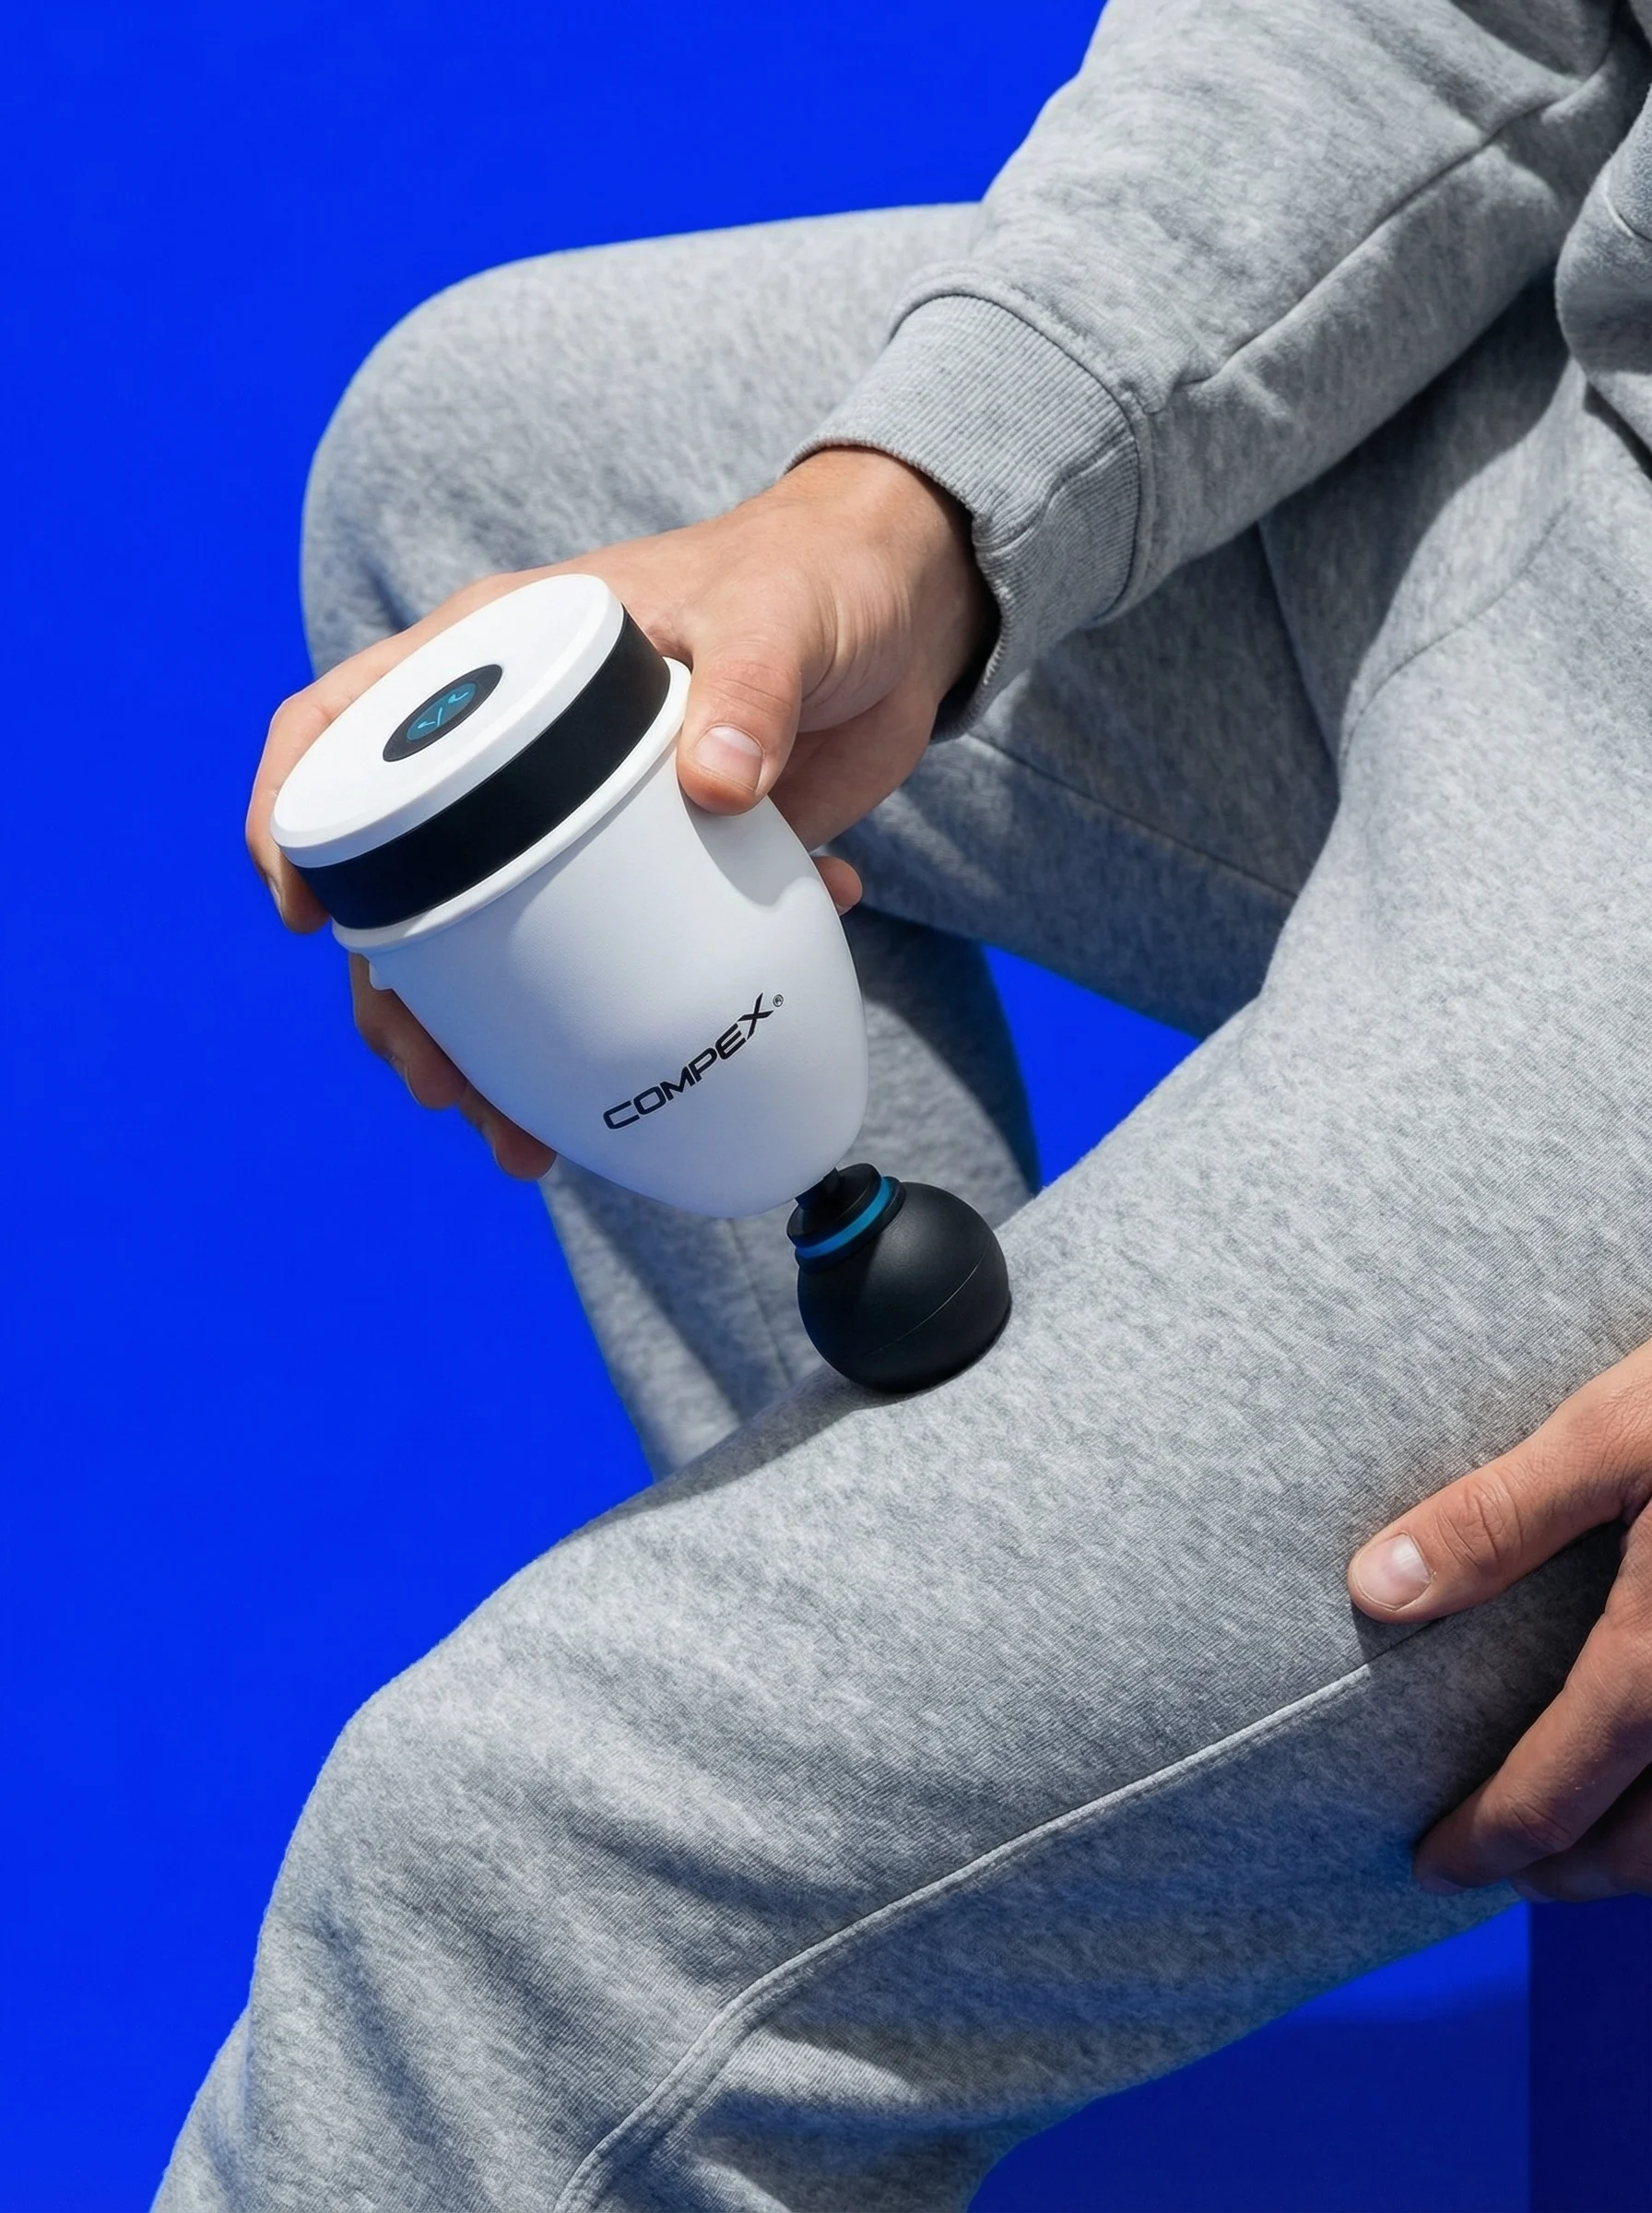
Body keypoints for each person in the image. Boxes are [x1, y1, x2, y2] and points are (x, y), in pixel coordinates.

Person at [159, 0, 1652, 2204]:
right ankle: (943, 1678)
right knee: (487, 505)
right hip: (1570, 477)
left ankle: (798, 1842)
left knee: (508, 1886)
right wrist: (909, 508)